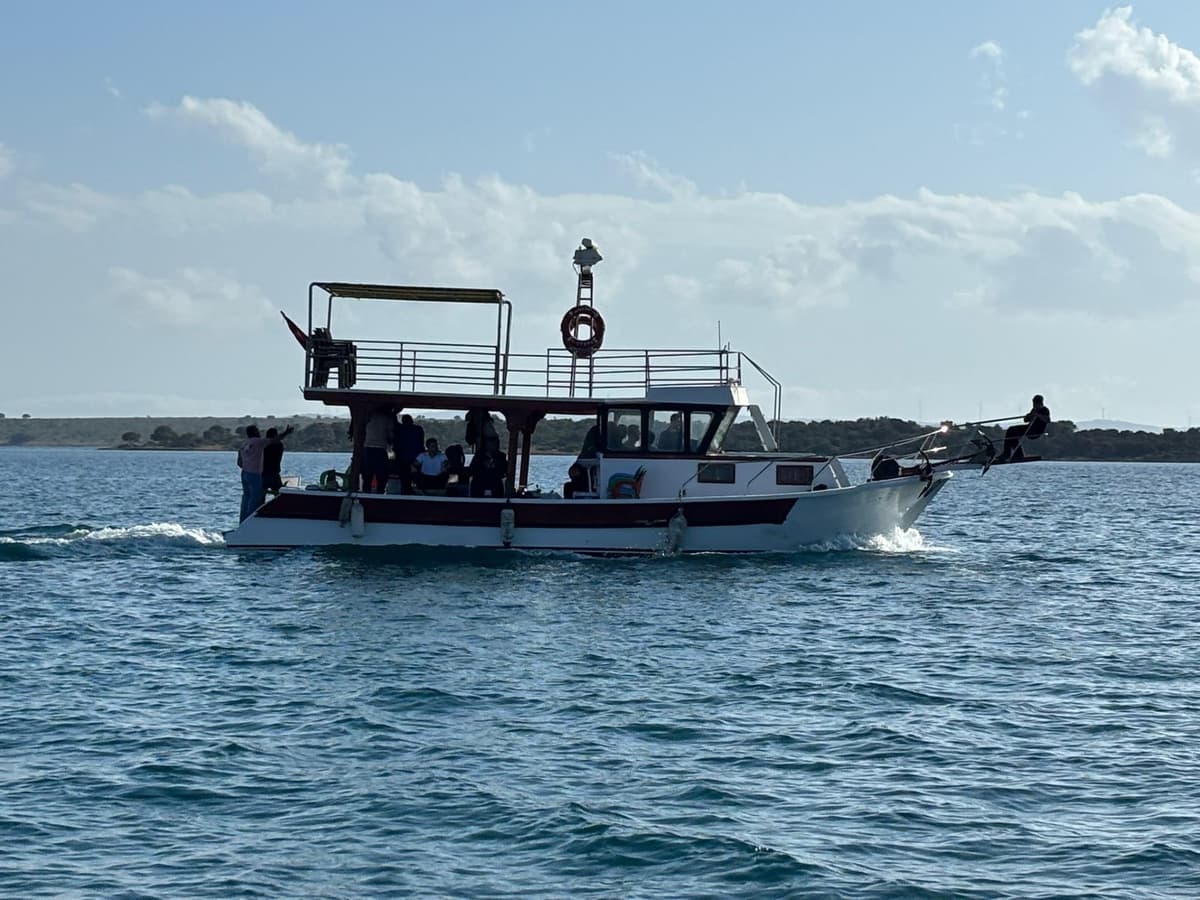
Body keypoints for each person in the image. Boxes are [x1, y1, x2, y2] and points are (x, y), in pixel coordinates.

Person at [995, 394, 1051, 463]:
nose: (1034, 406)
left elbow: (1048, 420)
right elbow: (1025, 420)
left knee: (1014, 432)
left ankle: (1014, 454)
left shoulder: (1045, 410)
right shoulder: (1034, 410)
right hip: (1029, 428)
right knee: (1011, 431)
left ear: (1040, 403)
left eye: (1035, 404)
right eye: (1033, 404)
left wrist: (1038, 415)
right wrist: (1029, 416)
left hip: (1036, 431)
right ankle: (1012, 453)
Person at [237, 425, 269, 521]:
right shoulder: (258, 442)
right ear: (255, 432)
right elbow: (273, 440)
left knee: (246, 497)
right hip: (254, 474)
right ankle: (250, 520)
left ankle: (243, 520)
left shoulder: (244, 444)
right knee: (255, 497)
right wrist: (286, 433)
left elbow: (239, 463)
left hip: (244, 473)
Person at [361, 406, 394, 493]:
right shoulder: (387, 419)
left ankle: (366, 493)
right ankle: (380, 492)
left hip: (368, 448)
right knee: (381, 475)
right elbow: (390, 434)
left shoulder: (368, 417)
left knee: (367, 475)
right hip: (380, 449)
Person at [393, 413, 425, 494]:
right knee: (418, 478)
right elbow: (421, 442)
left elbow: (395, 443)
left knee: (405, 480)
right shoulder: (418, 429)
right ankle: (421, 492)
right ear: (412, 421)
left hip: (403, 459)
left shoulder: (399, 429)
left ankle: (406, 492)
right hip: (416, 458)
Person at [262, 424, 295, 496]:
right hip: (274, 473)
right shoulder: (279, 445)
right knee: (279, 496)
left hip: (264, 473)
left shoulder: (264, 445)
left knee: (260, 496)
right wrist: (286, 433)